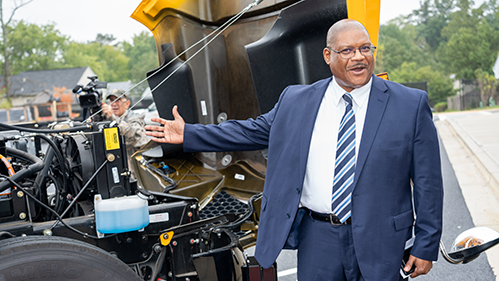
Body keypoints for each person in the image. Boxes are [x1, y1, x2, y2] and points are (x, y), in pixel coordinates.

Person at [145, 19, 443, 281]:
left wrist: (426, 244)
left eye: (365, 49)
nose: (358, 58)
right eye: (347, 51)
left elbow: (429, 183)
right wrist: (188, 133)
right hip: (318, 239)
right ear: (328, 56)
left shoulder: (409, 104)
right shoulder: (296, 100)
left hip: (382, 239)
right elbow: (250, 131)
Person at [102, 89, 149, 175]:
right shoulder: (105, 120)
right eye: (111, 100)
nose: (114, 104)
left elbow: (135, 136)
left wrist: (113, 118)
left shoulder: (135, 118)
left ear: (127, 104)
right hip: (112, 170)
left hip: (133, 173)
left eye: (118, 100)